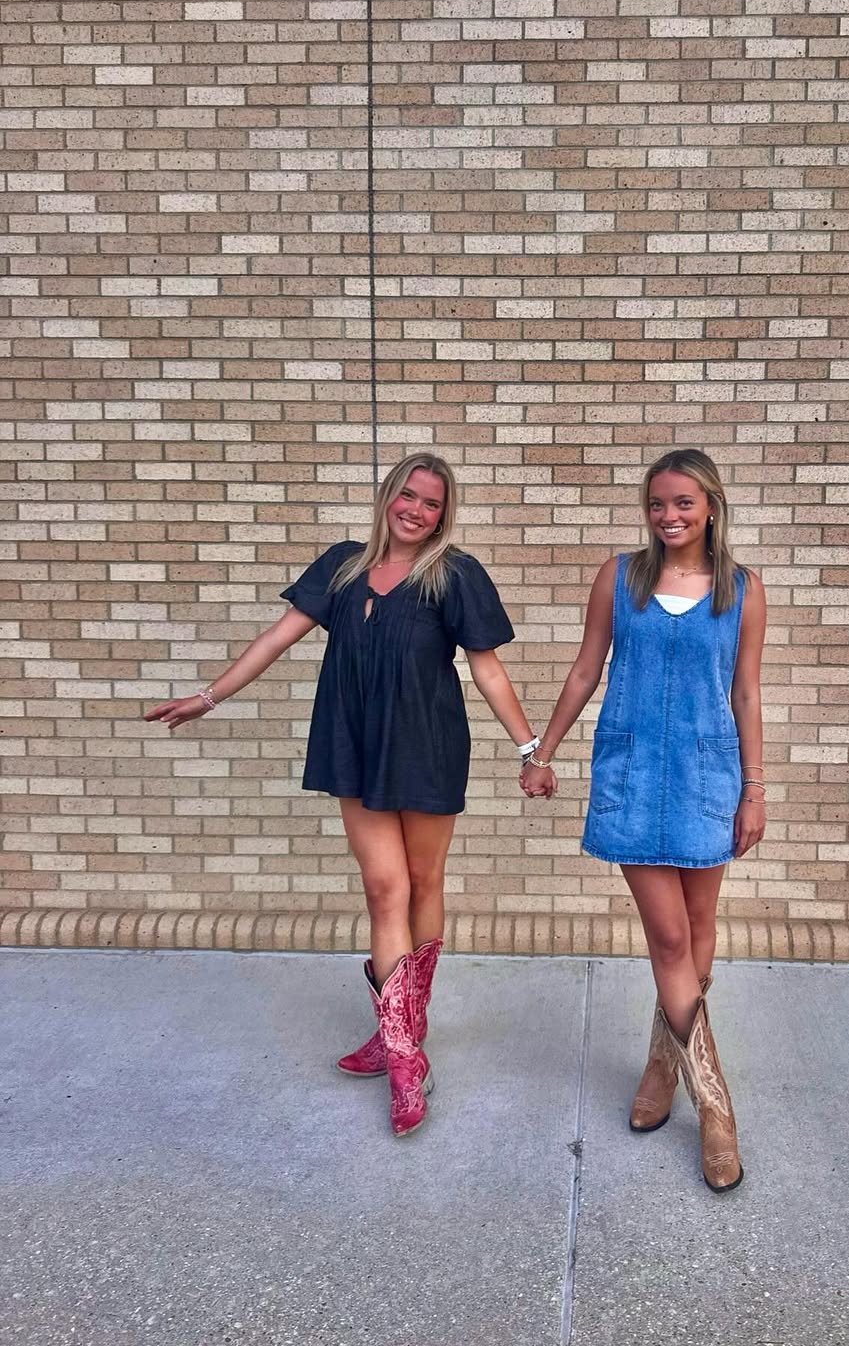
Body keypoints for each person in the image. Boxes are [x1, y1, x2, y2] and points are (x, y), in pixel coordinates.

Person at [146, 452, 551, 1138]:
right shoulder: (341, 566)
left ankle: (403, 1031)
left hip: (427, 744)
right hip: (355, 745)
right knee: (384, 889)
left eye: (432, 503)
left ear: (443, 515)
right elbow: (277, 637)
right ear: (388, 496)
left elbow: (487, 669)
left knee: (423, 880)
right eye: (408, 496)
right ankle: (403, 1054)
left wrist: (529, 749)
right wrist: (208, 697)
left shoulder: (454, 574)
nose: (416, 510)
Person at [520, 449, 766, 1192]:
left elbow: (746, 694)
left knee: (698, 930)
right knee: (668, 937)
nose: (668, 516)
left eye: (683, 503)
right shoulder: (620, 577)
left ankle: (662, 1066)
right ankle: (716, 1107)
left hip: (705, 776)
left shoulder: (743, 590)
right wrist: (543, 751)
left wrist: (755, 790)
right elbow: (584, 668)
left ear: (711, 506)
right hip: (633, 774)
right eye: (657, 503)